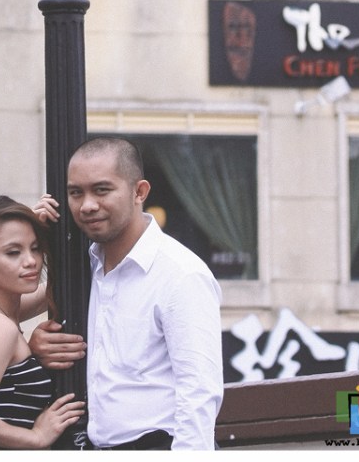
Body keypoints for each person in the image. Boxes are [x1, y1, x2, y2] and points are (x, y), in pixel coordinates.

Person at [29, 137, 224, 450]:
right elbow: (1, 308)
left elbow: (199, 392)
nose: (87, 205)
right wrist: (33, 237)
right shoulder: (86, 268)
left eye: (101, 190)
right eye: (75, 193)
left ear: (139, 192)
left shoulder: (181, 274)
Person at [0, 194, 85, 450]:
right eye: (13, 252)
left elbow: (58, 289)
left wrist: (47, 228)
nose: (31, 261)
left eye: (35, 248)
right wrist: (37, 438)